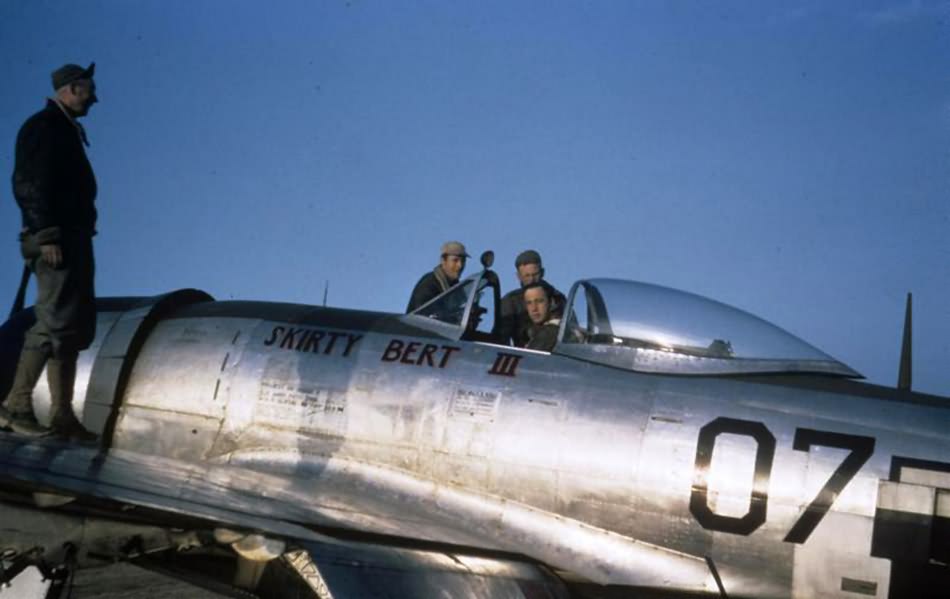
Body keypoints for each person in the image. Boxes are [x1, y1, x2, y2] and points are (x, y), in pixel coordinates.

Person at [0, 63, 100, 440]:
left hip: (72, 238)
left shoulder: (62, 129)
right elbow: (28, 183)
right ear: (70, 88)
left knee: (70, 328)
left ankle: (62, 416)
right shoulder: (44, 127)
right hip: (55, 238)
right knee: (52, 322)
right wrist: (47, 235)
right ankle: (16, 407)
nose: (94, 97)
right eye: (89, 89)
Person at [498, 250, 565, 347]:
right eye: (527, 276)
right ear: (518, 276)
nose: (531, 280)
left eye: (535, 274)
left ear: (542, 273)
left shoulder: (558, 298)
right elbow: (501, 339)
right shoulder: (510, 302)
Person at [406, 241, 469, 312]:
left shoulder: (457, 288)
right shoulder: (429, 283)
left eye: (463, 261)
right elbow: (423, 317)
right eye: (455, 260)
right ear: (443, 261)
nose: (460, 265)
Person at [523, 282, 560, 352]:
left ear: (551, 302)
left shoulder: (550, 332)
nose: (534, 308)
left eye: (539, 301)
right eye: (529, 303)